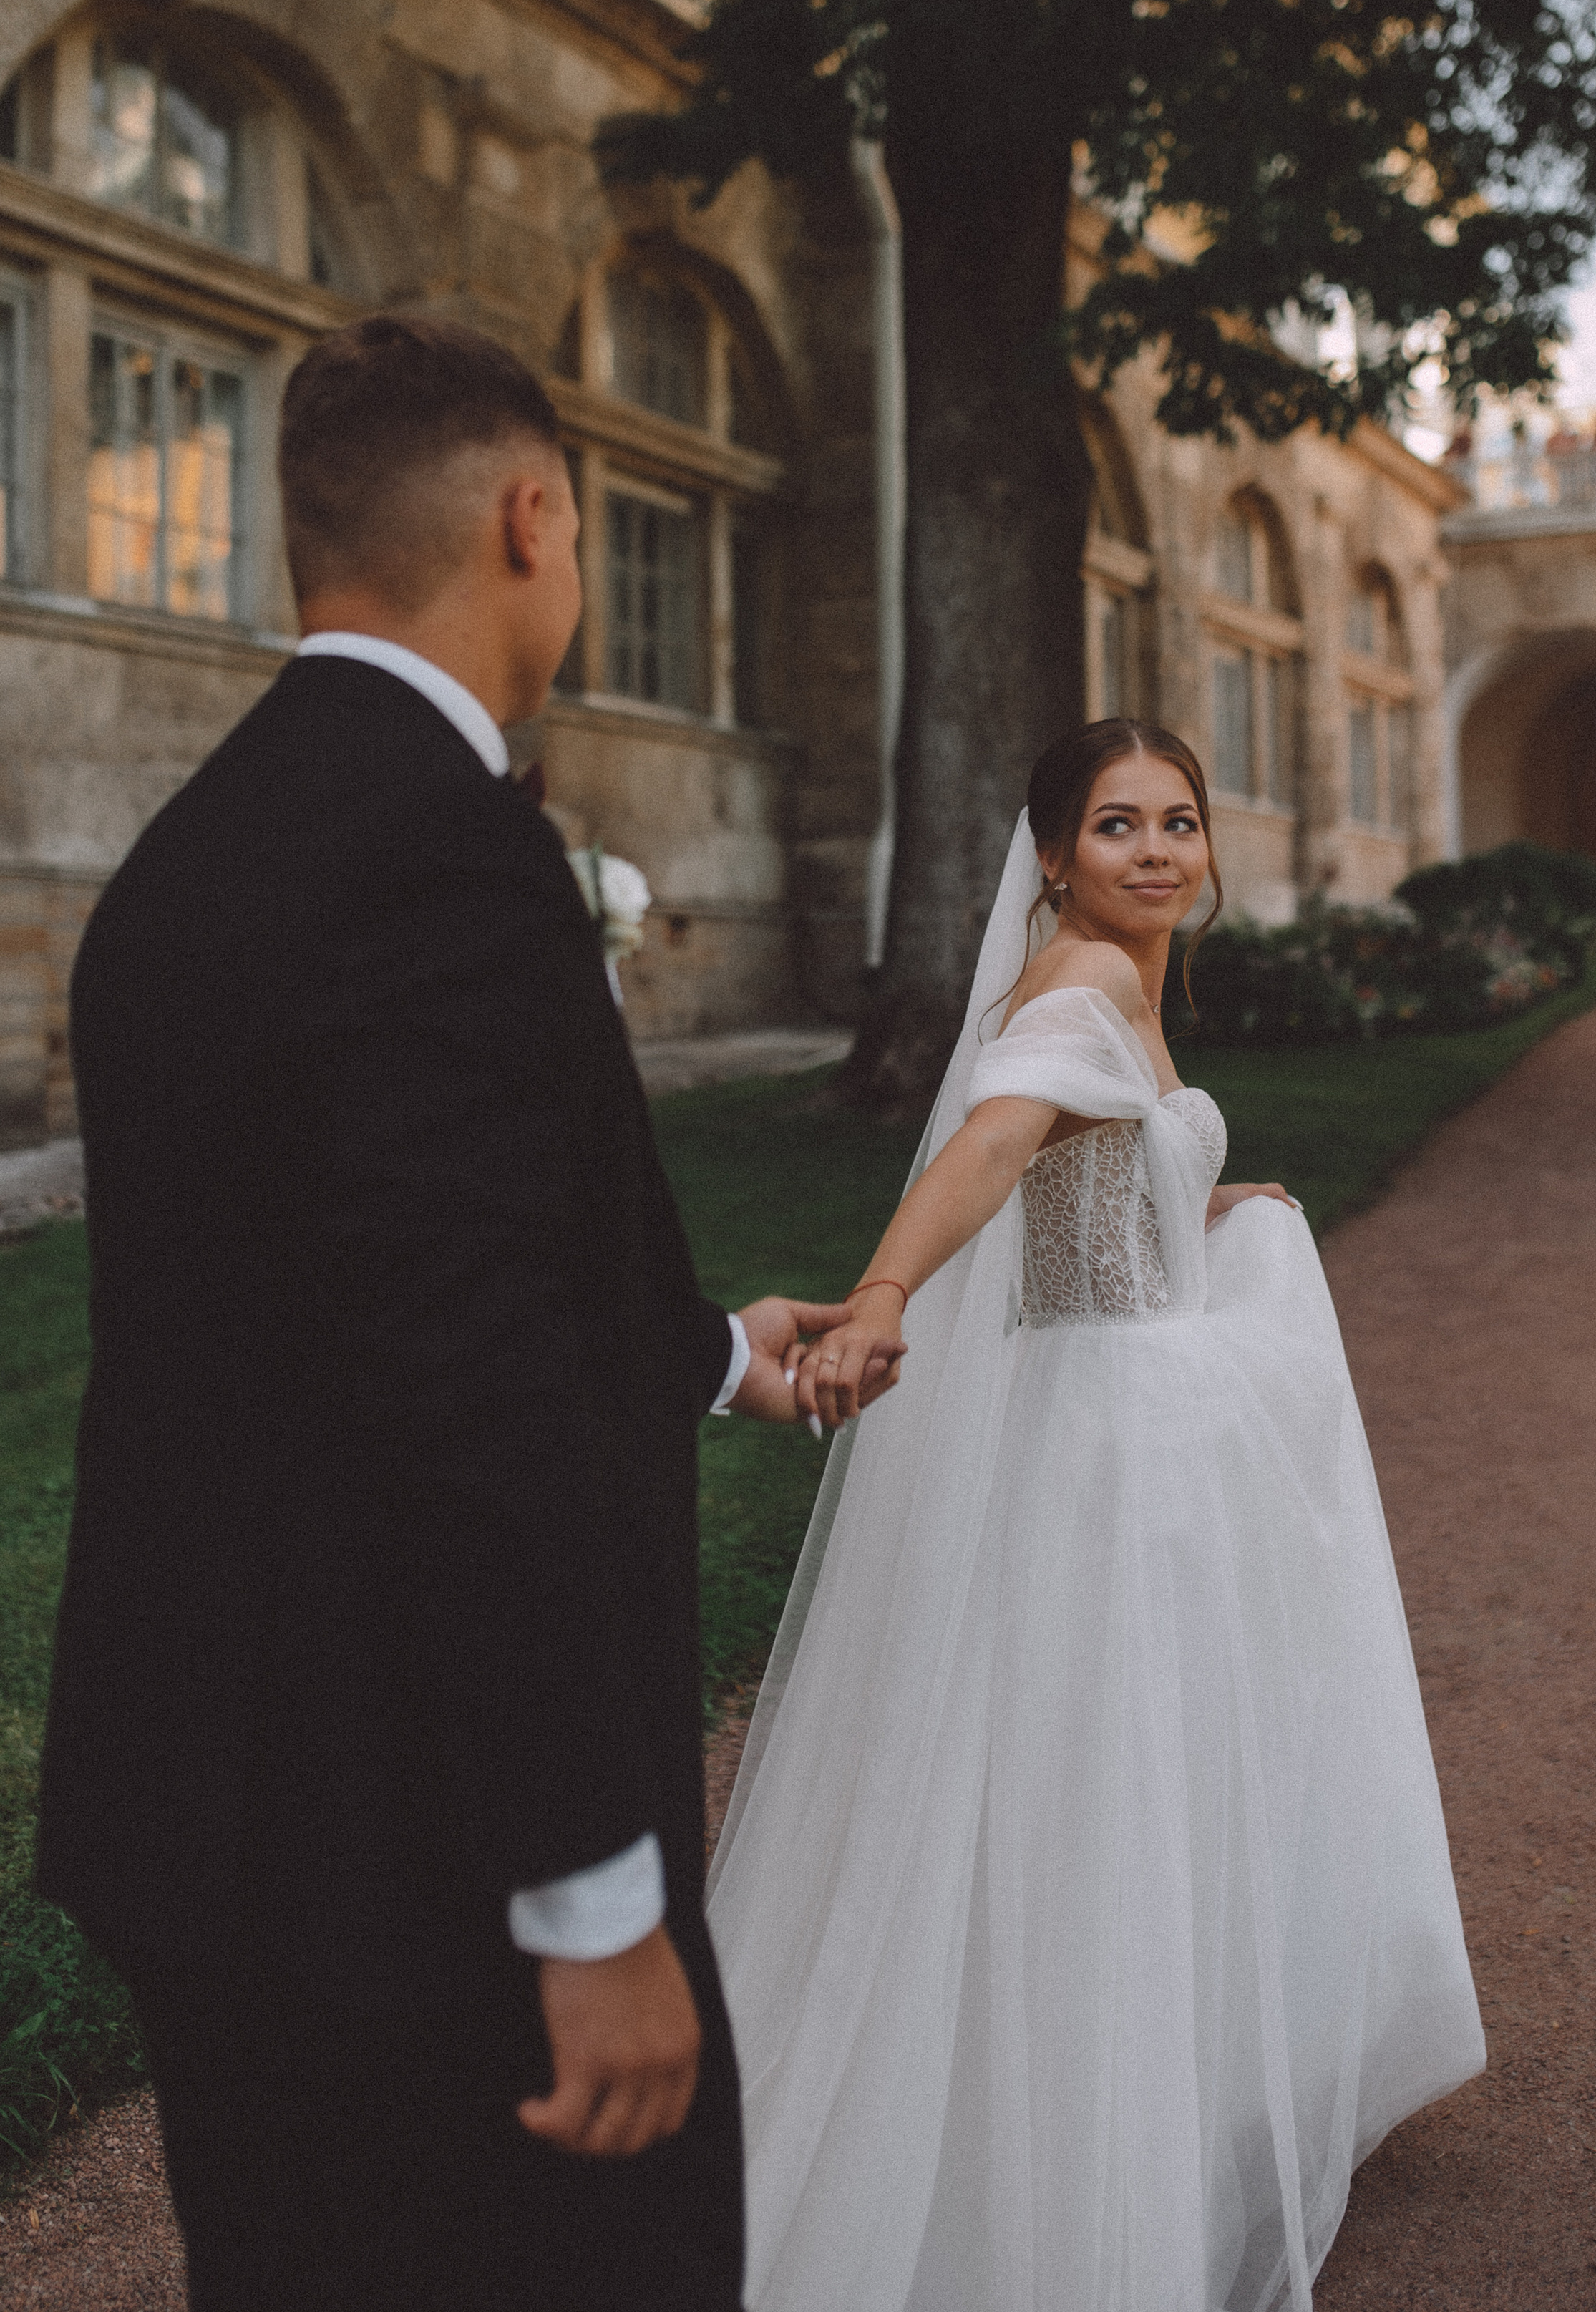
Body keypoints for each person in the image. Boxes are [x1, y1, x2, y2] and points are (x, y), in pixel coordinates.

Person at [36, 316, 869, 2312]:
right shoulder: (445, 852)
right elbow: (468, 1398)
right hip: (412, 1841)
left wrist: (709, 1347)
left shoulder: (186, 858)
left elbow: (347, 1285)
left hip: (211, 1813)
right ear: (532, 517)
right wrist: (591, 1904)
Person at [707, 719, 1486, 2312]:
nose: (1155, 849)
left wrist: (1200, 1203)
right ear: (1052, 853)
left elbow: (1079, 1178)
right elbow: (997, 1145)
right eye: (1117, 824)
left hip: (1135, 1403)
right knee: (1124, 1773)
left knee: (1138, 1768)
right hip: (1119, 1435)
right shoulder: (1076, 984)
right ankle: (1080, 2169)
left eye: (1178, 821)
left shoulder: (1113, 980)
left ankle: (1159, 2102)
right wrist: (876, 1293)